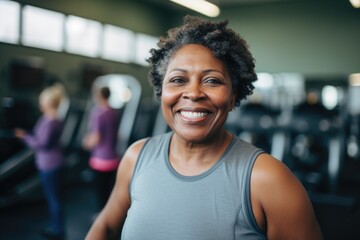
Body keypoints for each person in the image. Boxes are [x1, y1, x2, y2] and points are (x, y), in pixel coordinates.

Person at [85, 15, 323, 240]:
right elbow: (105, 226)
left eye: (212, 81)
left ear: (233, 96)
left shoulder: (269, 180)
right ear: (161, 91)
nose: (194, 93)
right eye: (178, 80)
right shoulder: (136, 157)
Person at [15, 84, 66, 240]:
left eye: (42, 101)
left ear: (49, 103)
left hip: (50, 164)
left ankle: (58, 230)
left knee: (53, 199)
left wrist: (24, 137)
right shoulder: (51, 119)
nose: (40, 103)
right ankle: (56, 227)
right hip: (50, 163)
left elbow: (40, 144)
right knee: (53, 198)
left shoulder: (51, 121)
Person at [82, 86, 120, 211]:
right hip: (113, 158)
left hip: (101, 160)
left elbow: (96, 138)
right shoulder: (114, 112)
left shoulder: (98, 113)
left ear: (98, 96)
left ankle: (102, 219)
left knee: (101, 193)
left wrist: (86, 143)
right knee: (109, 192)